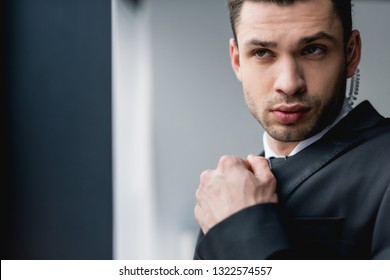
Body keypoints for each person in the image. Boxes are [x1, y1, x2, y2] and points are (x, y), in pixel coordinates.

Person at [193, 0, 390, 259]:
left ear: (351, 54)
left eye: (313, 49)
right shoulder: (228, 191)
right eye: (262, 52)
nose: (289, 84)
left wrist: (239, 230)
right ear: (238, 60)